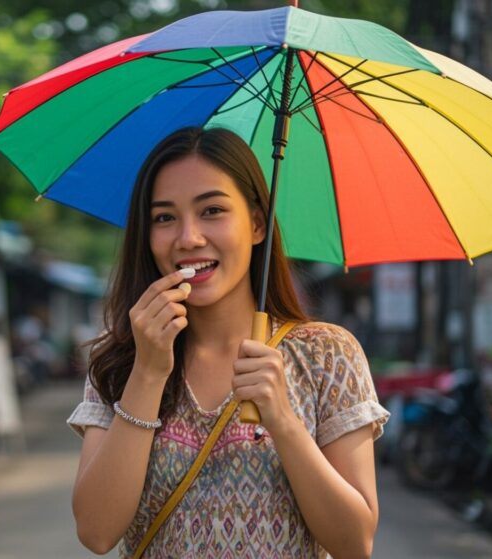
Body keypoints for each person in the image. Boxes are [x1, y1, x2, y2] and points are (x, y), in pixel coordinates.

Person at [67, 127, 390, 558]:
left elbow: (355, 544)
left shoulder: (326, 354)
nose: (188, 237)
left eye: (212, 210)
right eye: (164, 217)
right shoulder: (124, 357)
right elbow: (96, 531)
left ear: (257, 224)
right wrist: (148, 371)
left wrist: (284, 421)